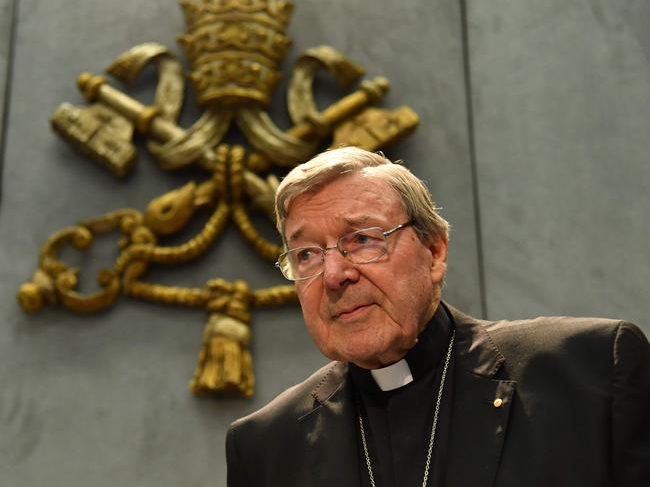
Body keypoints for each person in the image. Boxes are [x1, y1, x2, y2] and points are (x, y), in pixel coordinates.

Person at [226, 146, 650, 487]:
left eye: (362, 239)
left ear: (434, 252)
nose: (335, 274)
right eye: (306, 255)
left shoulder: (589, 374)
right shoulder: (266, 446)